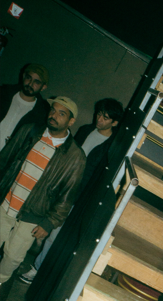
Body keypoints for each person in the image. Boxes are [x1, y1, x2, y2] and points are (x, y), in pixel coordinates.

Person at [19, 97, 125, 285]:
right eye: (99, 114)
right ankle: (22, 257)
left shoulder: (112, 146)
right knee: (35, 220)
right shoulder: (85, 130)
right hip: (59, 184)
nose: (99, 119)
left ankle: (37, 269)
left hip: (77, 195)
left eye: (105, 118)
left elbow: (98, 177)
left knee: (54, 234)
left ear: (114, 123)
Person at [0, 96, 86, 285]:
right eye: (53, 110)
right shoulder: (30, 131)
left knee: (12, 257)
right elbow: (4, 159)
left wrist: (49, 223)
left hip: (34, 215)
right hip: (6, 202)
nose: (54, 115)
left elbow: (67, 196)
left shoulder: (75, 156)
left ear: (71, 121)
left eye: (61, 114)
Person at [0, 63, 49, 149]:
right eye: (28, 78)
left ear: (43, 87)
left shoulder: (41, 114)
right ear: (23, 76)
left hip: (6, 155)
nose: (30, 83)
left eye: (37, 82)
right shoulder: (3, 94)